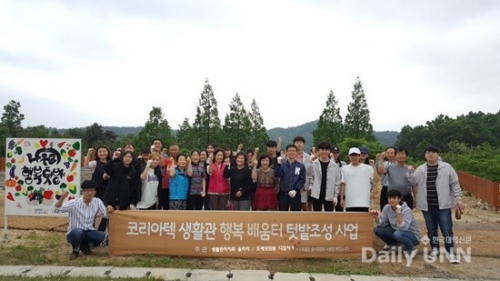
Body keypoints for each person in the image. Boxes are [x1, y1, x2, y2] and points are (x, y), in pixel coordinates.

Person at [407, 145, 465, 264]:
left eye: (433, 152)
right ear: (425, 155)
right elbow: (413, 182)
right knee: (431, 230)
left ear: (438, 154)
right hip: (427, 206)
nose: (431, 154)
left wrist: (458, 199)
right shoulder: (421, 169)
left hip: (443, 206)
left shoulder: (447, 167)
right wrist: (410, 173)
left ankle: (450, 252)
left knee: (447, 230)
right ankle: (435, 250)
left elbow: (455, 184)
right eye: (428, 152)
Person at [54, 180, 113, 260]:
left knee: (106, 238)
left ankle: (85, 246)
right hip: (75, 231)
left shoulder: (97, 201)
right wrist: (61, 199)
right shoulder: (74, 203)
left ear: (95, 191)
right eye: (87, 191)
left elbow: (106, 215)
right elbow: (57, 209)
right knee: (77, 233)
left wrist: (109, 210)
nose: (90, 193)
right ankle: (75, 250)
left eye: (92, 190)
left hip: (89, 231)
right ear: (83, 192)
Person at [371, 190, 420, 256]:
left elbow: (403, 228)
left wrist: (398, 213)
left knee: (398, 234)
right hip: (397, 232)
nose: (391, 200)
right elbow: (381, 224)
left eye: (394, 198)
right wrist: (376, 217)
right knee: (378, 230)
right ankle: (393, 246)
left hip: (412, 236)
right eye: (389, 198)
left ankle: (412, 249)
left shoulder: (406, 210)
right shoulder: (387, 208)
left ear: (399, 199)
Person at [84, 145, 111, 231]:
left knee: (106, 213)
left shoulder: (111, 163)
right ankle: (90, 230)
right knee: (92, 213)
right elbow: (86, 166)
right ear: (97, 153)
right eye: (100, 151)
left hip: (108, 191)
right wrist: (88, 154)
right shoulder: (95, 163)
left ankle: (101, 232)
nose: (102, 153)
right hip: (96, 191)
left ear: (108, 152)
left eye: (104, 151)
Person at [308, 142, 341, 212]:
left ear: (329, 151)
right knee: (317, 217)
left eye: (326, 150)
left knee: (329, 218)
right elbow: (309, 174)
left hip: (330, 195)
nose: (324, 151)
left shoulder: (334, 166)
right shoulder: (314, 163)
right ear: (319, 151)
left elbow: (337, 182)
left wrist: (335, 196)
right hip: (316, 194)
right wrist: (310, 161)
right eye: (322, 149)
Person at [340, 147, 373, 212]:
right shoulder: (344, 169)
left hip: (364, 202)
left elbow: (375, 180)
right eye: (352, 155)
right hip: (350, 201)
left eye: (356, 155)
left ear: (359, 156)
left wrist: (374, 166)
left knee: (362, 220)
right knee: (350, 221)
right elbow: (343, 184)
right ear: (349, 157)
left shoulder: (368, 168)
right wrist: (342, 198)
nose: (354, 157)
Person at [274, 144, 306, 211]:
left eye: (294, 151)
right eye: (290, 150)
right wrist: (278, 165)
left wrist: (296, 189)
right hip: (284, 194)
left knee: (296, 215)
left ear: (296, 152)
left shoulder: (301, 166)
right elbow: (277, 175)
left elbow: (302, 180)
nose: (292, 152)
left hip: (295, 194)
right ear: (286, 152)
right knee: (282, 214)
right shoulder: (282, 165)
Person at [292, 136, 312, 211]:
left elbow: (310, 173)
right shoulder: (289, 156)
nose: (299, 144)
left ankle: (306, 222)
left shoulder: (308, 157)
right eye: (297, 142)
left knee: (304, 206)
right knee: (293, 207)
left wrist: (310, 185)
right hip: (292, 185)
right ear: (294, 144)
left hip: (304, 185)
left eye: (301, 142)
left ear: (304, 144)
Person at [377, 147, 396, 211]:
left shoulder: (398, 164)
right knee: (384, 208)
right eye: (388, 153)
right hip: (385, 187)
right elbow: (380, 171)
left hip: (395, 188)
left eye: (392, 153)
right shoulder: (383, 163)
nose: (390, 155)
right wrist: (381, 159)